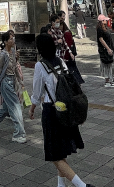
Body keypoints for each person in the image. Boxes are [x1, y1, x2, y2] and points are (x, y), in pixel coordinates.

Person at [29, 33, 93, 187]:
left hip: (51, 111)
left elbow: (37, 93)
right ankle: (60, 184)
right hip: (66, 110)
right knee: (61, 150)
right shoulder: (61, 61)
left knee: (54, 155)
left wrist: (32, 108)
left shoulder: (40, 66)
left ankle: (82, 185)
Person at [0, 31, 26, 142]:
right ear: (5, 42)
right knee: (16, 107)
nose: (12, 40)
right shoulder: (3, 55)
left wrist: (20, 81)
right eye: (10, 39)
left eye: (13, 38)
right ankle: (19, 133)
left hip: (13, 82)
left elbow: (15, 68)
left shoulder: (13, 52)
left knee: (6, 108)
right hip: (6, 84)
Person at [96, 15, 114, 87]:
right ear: (102, 21)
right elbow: (101, 39)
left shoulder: (106, 28)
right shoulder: (100, 29)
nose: (106, 21)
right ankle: (108, 80)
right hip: (105, 49)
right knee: (107, 64)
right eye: (105, 20)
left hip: (110, 48)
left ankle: (109, 78)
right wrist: (108, 48)